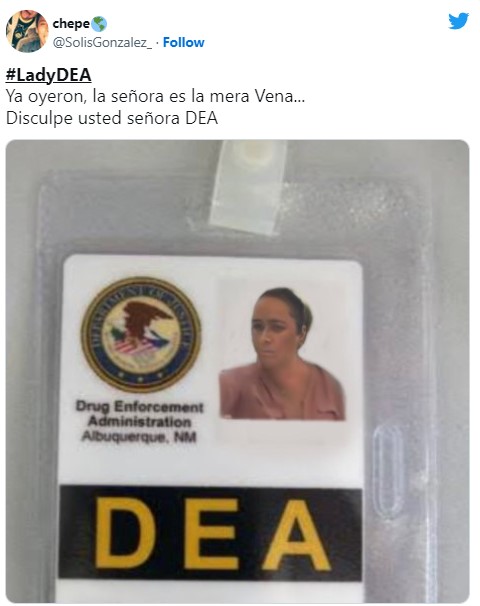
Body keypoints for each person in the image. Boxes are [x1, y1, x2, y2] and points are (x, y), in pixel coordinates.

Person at [220, 288, 345, 420]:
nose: (264, 338)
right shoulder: (232, 384)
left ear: (301, 334)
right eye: (257, 327)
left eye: (277, 328)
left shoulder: (329, 387)